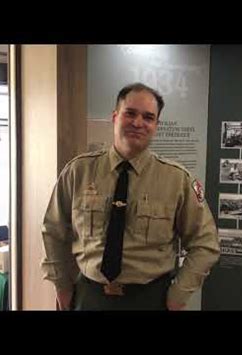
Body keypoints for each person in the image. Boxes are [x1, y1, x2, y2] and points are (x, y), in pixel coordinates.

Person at [41, 82, 220, 311]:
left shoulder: (177, 180)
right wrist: (61, 285)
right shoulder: (78, 172)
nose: (138, 123)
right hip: (89, 297)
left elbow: (205, 243)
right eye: (130, 113)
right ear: (115, 117)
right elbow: (53, 231)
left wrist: (179, 294)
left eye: (148, 117)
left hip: (151, 299)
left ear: (156, 125)